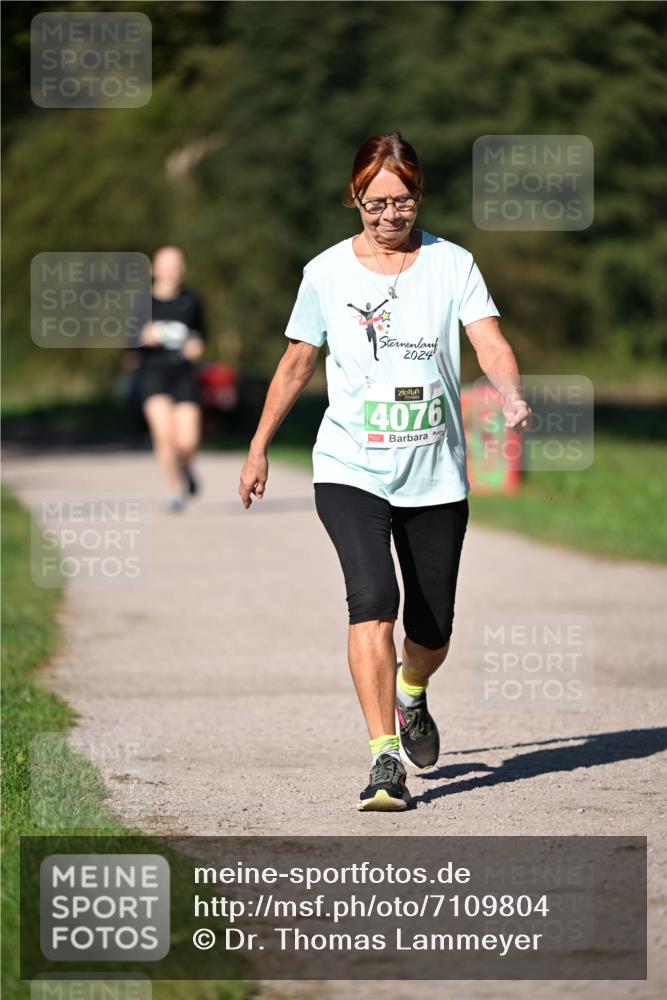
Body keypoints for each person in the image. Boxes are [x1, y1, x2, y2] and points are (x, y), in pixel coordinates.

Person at [239, 132, 530, 811]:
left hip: (435, 474)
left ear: (418, 197)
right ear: (354, 199)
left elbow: (489, 341)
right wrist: (257, 446)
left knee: (430, 632)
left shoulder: (452, 264)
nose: (389, 215)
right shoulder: (325, 273)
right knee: (372, 601)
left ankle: (412, 692)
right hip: (349, 468)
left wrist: (510, 393)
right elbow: (295, 364)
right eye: (375, 203)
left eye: (401, 201)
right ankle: (383, 761)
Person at [127, 246, 207, 512]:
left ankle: (184, 467)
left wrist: (197, 347)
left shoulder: (192, 300)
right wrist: (143, 338)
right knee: (164, 435)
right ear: (154, 269)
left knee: (188, 440)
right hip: (152, 373)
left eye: (177, 264)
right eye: (167, 264)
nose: (173, 270)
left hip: (183, 373)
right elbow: (127, 343)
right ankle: (174, 489)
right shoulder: (141, 303)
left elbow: (199, 336)